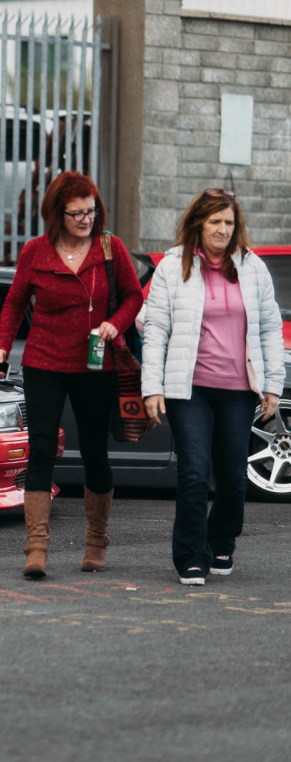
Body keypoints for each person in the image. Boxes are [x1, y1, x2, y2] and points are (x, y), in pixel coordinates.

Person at [0, 171, 143, 579]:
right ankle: (36, 548)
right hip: (44, 362)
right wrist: (3, 346)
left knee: (95, 452)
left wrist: (115, 323)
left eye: (91, 212)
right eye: (77, 214)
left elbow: (133, 295)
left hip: (95, 366)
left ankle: (96, 540)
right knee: (40, 449)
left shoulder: (111, 249)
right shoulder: (35, 252)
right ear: (57, 214)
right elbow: (14, 303)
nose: (86, 220)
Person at [141, 189, 282, 586]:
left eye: (229, 223)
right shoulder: (173, 266)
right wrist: (152, 387)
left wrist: (272, 385)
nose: (223, 229)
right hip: (190, 389)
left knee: (235, 477)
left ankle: (222, 540)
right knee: (194, 473)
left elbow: (270, 328)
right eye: (215, 221)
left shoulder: (253, 268)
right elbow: (156, 329)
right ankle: (190, 554)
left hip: (239, 389)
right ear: (199, 223)